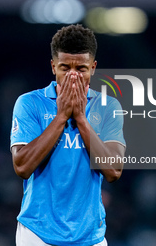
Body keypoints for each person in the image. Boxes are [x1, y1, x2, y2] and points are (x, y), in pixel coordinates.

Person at [10, 24, 126, 246]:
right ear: (53, 67)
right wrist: (62, 116)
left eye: (81, 69)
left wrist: (81, 118)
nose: (73, 76)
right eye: (65, 67)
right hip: (37, 233)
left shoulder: (108, 106)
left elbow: (113, 170)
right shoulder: (30, 104)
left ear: (93, 67)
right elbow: (22, 167)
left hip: (89, 236)